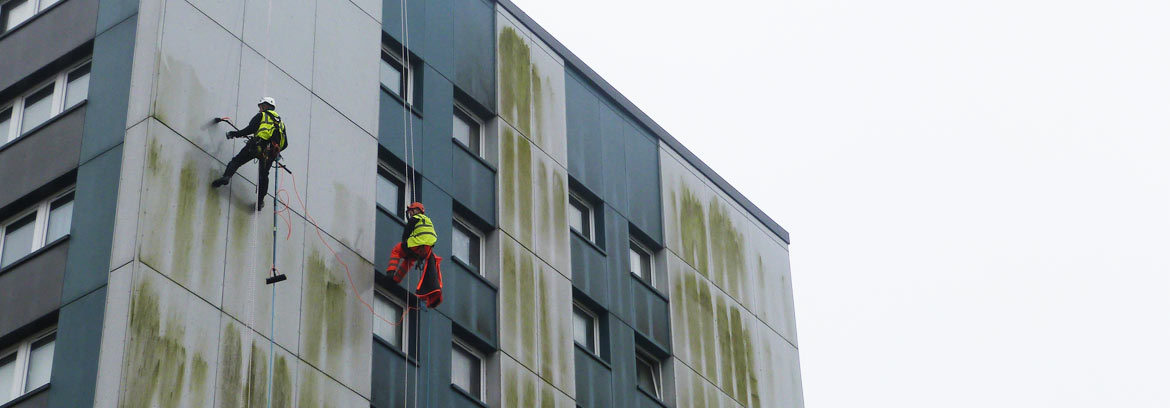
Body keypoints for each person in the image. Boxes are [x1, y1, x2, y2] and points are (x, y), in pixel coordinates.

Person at [211, 97, 288, 210]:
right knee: (264, 176)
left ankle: (226, 177)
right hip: (270, 153)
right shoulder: (281, 123)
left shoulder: (262, 116)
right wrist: (276, 151)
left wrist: (234, 134)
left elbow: (250, 129)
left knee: (237, 161)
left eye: (261, 107)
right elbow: (285, 144)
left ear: (265, 106)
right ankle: (260, 201)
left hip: (257, 146)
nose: (259, 110)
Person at [387, 202, 443, 307]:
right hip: (426, 249)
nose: (410, 213)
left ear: (416, 210)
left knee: (397, 250)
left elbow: (407, 231)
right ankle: (396, 280)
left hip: (416, 243)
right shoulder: (428, 221)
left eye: (411, 211)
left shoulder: (415, 218)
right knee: (410, 260)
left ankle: (391, 273)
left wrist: (405, 242)